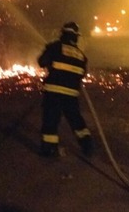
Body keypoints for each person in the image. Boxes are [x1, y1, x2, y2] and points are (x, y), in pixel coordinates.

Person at [37, 21, 93, 157]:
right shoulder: (81, 55)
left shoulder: (54, 47)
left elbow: (41, 62)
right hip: (71, 95)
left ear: (63, 33)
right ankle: (88, 146)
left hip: (53, 92)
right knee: (76, 120)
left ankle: (49, 150)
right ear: (76, 37)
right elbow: (82, 74)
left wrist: (49, 54)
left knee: (51, 121)